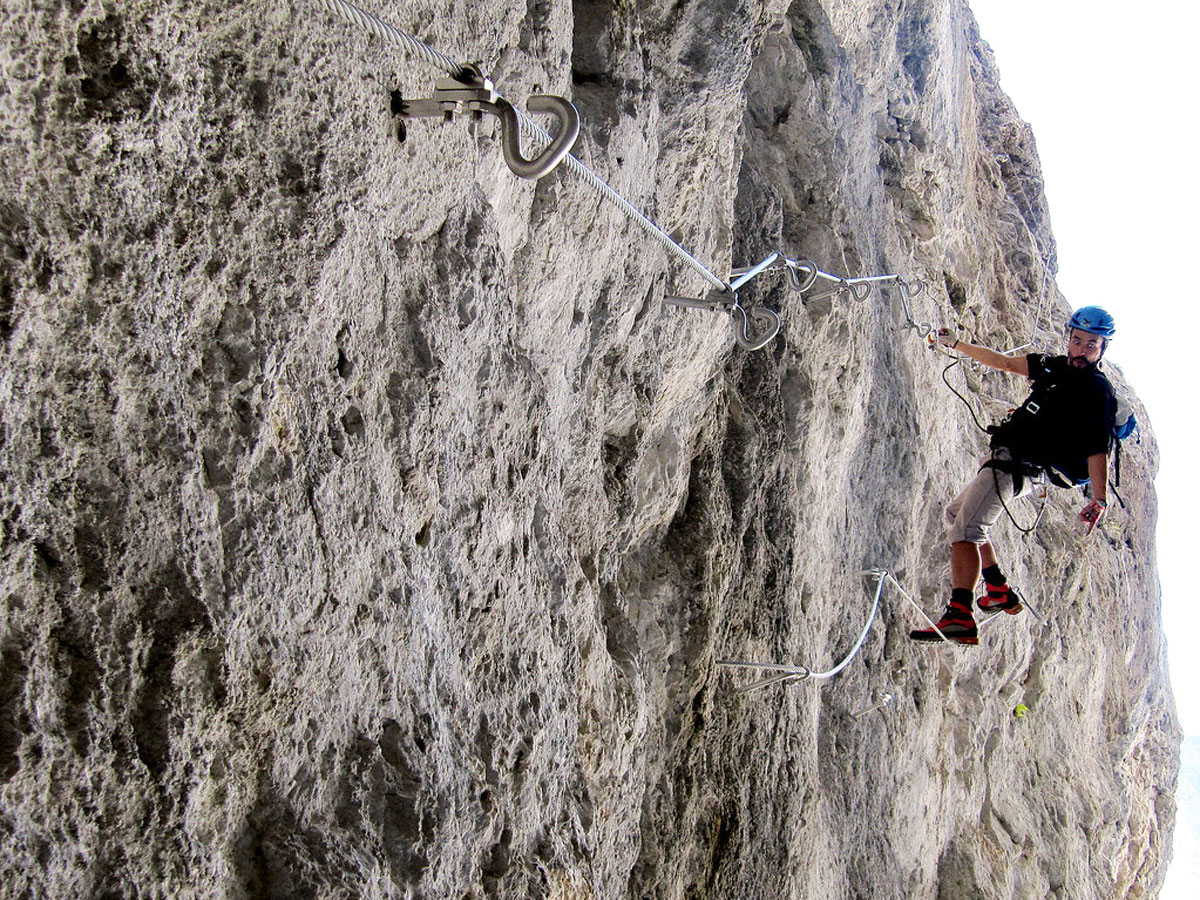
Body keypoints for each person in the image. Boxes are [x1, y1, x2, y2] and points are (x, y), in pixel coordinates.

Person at [910, 306, 1118, 645]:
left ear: (1102, 348)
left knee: (967, 529)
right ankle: (997, 588)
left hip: (1019, 467)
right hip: (1011, 462)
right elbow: (1004, 363)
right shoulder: (1053, 366)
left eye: (1091, 345)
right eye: (1078, 341)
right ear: (1069, 339)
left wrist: (1099, 498)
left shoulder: (1096, 390)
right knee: (955, 515)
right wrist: (958, 345)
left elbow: (1098, 448)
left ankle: (960, 615)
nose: (1082, 350)